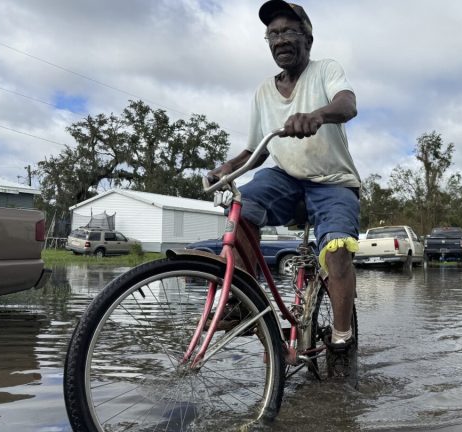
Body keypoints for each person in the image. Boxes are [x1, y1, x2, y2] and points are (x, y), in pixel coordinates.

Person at [207, 0, 360, 383]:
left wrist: (319, 115)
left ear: (307, 36)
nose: (280, 40)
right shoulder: (262, 92)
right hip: (286, 179)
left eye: (288, 32)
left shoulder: (326, 70)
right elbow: (255, 149)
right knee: (243, 204)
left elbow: (348, 103)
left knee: (338, 252)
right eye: (273, 34)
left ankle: (342, 339)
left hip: (333, 183)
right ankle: (242, 300)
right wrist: (228, 167)